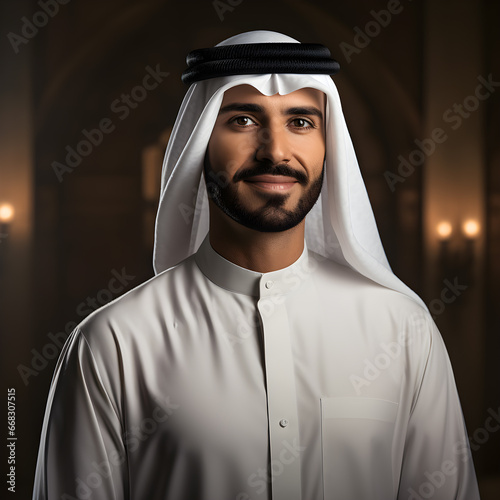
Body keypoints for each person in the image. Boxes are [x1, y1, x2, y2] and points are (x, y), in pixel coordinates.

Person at [32, 30, 480, 500]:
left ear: (329, 145)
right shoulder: (113, 344)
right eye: (243, 119)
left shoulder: (403, 330)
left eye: (301, 122)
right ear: (201, 141)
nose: (275, 151)